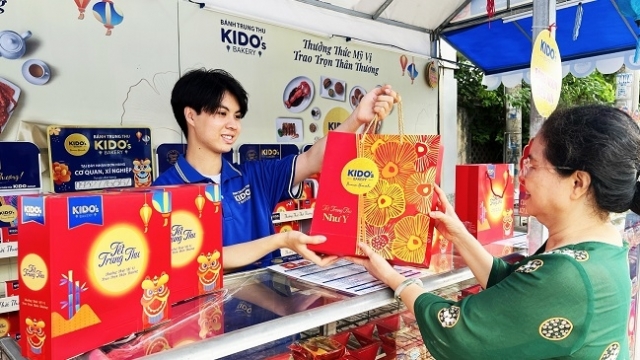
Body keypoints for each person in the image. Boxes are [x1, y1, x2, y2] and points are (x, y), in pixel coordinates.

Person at [349, 104, 640, 359]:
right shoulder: (598, 245)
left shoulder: (570, 275)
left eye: (532, 165)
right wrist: (459, 235)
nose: (521, 176)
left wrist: (392, 278)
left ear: (577, 183)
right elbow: (512, 287)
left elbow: (457, 331)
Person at [153, 68, 397, 271]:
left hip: (268, 316)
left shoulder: (254, 176)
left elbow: (314, 158)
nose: (233, 126)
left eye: (237, 116)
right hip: (206, 324)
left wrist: (357, 118)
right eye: (221, 114)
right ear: (191, 116)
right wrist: (281, 240)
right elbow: (197, 260)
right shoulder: (162, 194)